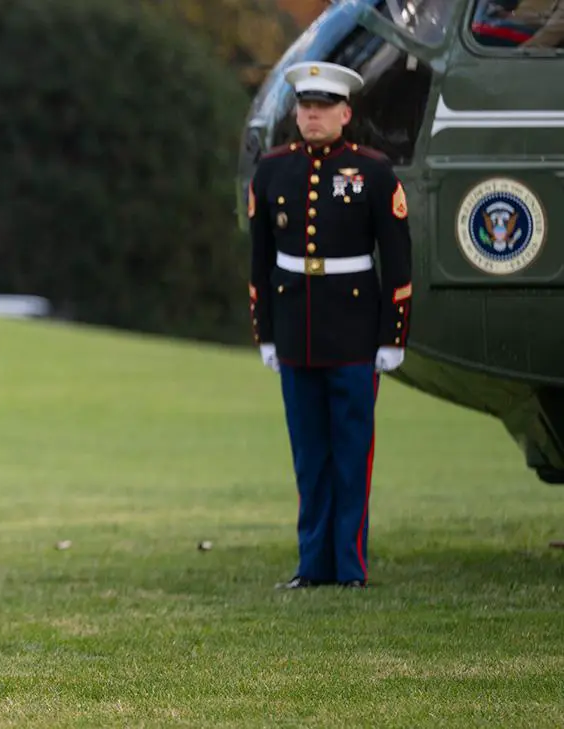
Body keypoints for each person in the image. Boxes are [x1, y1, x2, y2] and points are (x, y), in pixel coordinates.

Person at [246, 61, 412, 590]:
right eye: (304, 107)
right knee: (308, 457)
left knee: (350, 454)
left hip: (355, 333)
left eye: (322, 109)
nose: (311, 117)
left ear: (345, 112)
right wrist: (266, 332)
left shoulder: (374, 171)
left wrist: (392, 336)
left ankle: (350, 567)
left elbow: (398, 261)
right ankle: (312, 566)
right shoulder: (272, 171)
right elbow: (260, 260)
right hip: (296, 329)